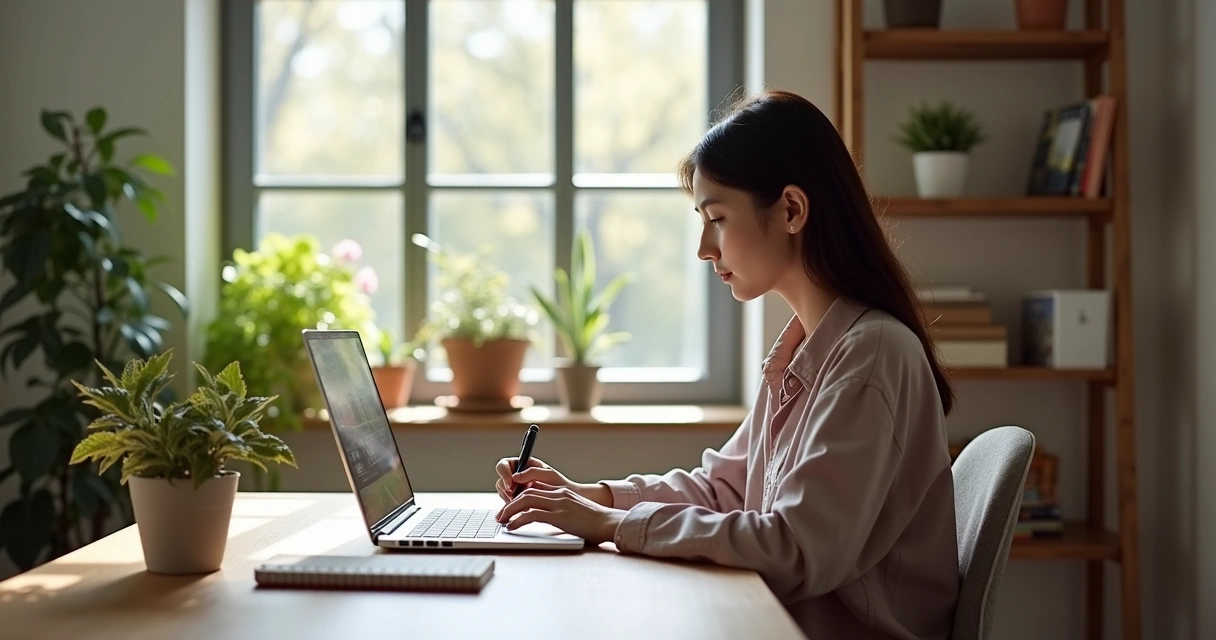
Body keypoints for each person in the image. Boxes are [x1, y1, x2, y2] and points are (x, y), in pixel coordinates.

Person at [494, 89, 960, 640]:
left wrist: (614, 525)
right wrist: (588, 496)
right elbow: (725, 490)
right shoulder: (807, 350)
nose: (703, 249)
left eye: (716, 218)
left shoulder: (871, 354)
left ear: (791, 210)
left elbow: (794, 550)